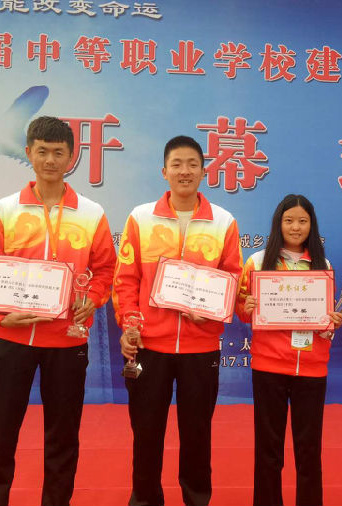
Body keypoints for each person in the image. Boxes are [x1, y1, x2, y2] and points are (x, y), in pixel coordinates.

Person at [0, 116, 117, 506]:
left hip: (67, 342)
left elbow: (106, 268)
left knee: (63, 438)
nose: (50, 160)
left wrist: (93, 297)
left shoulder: (91, 214)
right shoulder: (4, 210)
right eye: (42, 151)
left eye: (58, 153)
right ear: (28, 153)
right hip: (10, 338)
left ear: (71, 157)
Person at [112, 135, 243, 506]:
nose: (184, 171)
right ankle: (145, 499)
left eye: (192, 164)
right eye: (177, 164)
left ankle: (196, 499)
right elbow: (126, 279)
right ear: (164, 171)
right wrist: (131, 325)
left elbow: (233, 279)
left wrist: (210, 311)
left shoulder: (223, 221)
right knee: (147, 433)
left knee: (197, 434)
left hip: (201, 348)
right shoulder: (141, 218)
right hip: (150, 345)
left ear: (204, 171)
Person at [236, 194, 342, 506]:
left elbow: (325, 319)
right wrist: (247, 306)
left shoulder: (323, 265)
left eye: (302, 221)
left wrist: (333, 320)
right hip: (268, 367)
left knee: (309, 448)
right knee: (268, 448)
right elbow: (240, 309)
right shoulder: (257, 262)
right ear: (278, 224)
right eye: (289, 221)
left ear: (312, 225)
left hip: (311, 368)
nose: (295, 227)